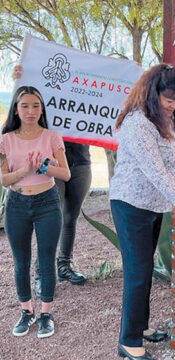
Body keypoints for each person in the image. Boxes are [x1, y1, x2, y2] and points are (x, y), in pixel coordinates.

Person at [109, 64, 175, 360]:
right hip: (130, 205)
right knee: (138, 272)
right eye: (168, 99)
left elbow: (173, 148)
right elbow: (158, 173)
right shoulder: (138, 123)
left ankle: (139, 328)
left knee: (144, 270)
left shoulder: (165, 119)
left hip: (153, 205)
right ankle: (129, 342)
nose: (173, 104)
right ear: (151, 92)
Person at [0, 86, 71, 338]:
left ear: (42, 109)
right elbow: (4, 180)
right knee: (21, 261)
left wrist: (44, 167)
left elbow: (65, 173)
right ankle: (26, 311)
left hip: (47, 203)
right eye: (25, 106)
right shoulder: (6, 139)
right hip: (17, 205)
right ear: (16, 109)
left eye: (36, 106)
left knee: (46, 259)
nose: (31, 111)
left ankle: (45, 314)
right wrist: (23, 171)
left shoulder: (52, 136)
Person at [13, 65, 90, 295]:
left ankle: (64, 266)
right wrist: (18, 79)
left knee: (70, 217)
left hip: (81, 162)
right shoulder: (45, 97)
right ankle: (40, 274)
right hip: (51, 164)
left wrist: (130, 73)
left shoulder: (85, 95)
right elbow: (23, 106)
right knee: (48, 221)